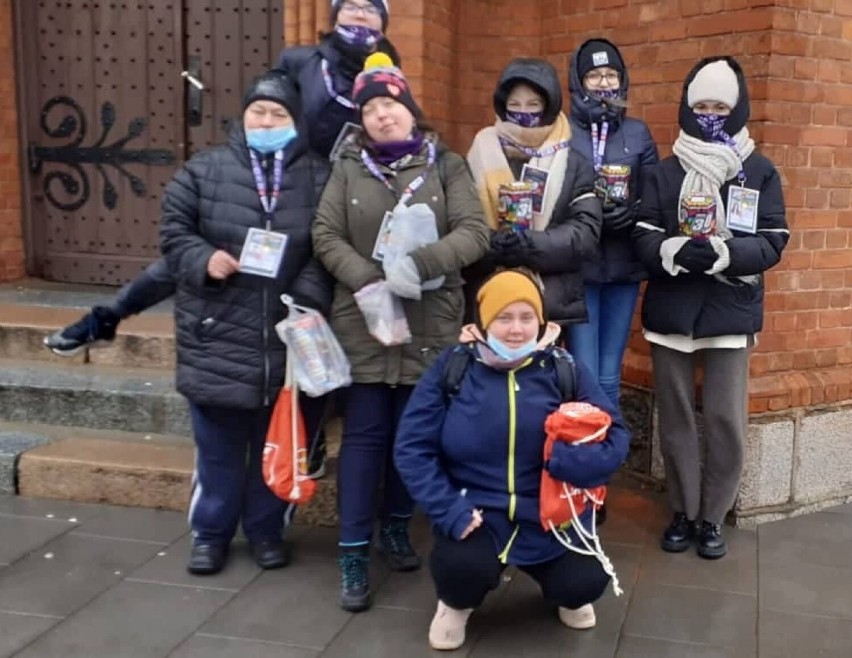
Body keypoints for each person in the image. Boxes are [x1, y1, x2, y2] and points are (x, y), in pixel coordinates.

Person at [44, 0, 401, 478]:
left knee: (325, 320)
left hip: (330, 190)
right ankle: (105, 317)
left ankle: (308, 435)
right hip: (278, 176)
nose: (360, 17)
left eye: (370, 9)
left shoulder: (387, 64)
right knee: (197, 255)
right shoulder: (301, 60)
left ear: (383, 20)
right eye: (350, 7)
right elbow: (272, 105)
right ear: (334, 13)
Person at [311, 53, 490, 613]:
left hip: (429, 320)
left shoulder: (447, 166)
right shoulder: (346, 167)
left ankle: (395, 528)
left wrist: (424, 263)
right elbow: (325, 233)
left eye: (389, 104)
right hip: (365, 321)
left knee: (414, 436)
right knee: (364, 438)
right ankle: (353, 553)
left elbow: (476, 231)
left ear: (409, 108)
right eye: (369, 108)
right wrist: (367, 279)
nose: (380, 116)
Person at [394, 270, 630, 651]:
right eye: (504, 318)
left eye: (526, 318)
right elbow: (411, 447)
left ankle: (564, 591)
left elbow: (616, 436)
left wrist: (572, 464)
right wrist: (449, 510)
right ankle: (455, 604)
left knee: (584, 583)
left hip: (549, 515)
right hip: (478, 514)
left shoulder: (562, 367)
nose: (516, 330)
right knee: (461, 571)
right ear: (485, 321)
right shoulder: (454, 368)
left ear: (540, 321)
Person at [160, 73, 331, 575]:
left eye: (279, 115)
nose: (267, 121)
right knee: (218, 453)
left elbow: (328, 246)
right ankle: (210, 534)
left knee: (276, 445)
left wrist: (305, 298)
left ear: (295, 122)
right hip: (218, 331)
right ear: (244, 116)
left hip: (287, 337)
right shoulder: (204, 170)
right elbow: (173, 233)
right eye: (259, 112)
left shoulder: (319, 177)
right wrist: (203, 258)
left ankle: (266, 530)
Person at [632, 57, 789, 559]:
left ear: (737, 108)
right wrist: (674, 250)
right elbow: (642, 231)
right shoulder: (665, 170)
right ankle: (682, 509)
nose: (710, 114)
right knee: (675, 417)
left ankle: (712, 516)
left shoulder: (758, 170)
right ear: (687, 107)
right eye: (701, 105)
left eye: (720, 106)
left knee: (724, 418)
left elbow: (774, 238)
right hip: (672, 310)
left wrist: (726, 252)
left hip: (730, 309)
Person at [465, 57, 602, 333]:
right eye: (514, 105)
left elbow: (584, 233)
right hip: (488, 298)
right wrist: (492, 246)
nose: (522, 112)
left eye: (533, 105)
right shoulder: (478, 154)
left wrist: (530, 245)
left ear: (548, 106)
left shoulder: (574, 163)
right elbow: (461, 224)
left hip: (550, 302)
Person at [566, 39, 659, 407]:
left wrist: (631, 213)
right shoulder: (563, 131)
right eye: (594, 75)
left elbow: (653, 195)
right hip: (580, 266)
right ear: (579, 81)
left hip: (623, 264)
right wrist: (587, 214)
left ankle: (606, 459)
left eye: (610, 75)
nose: (604, 83)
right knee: (584, 370)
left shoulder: (637, 132)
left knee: (609, 373)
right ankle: (582, 451)